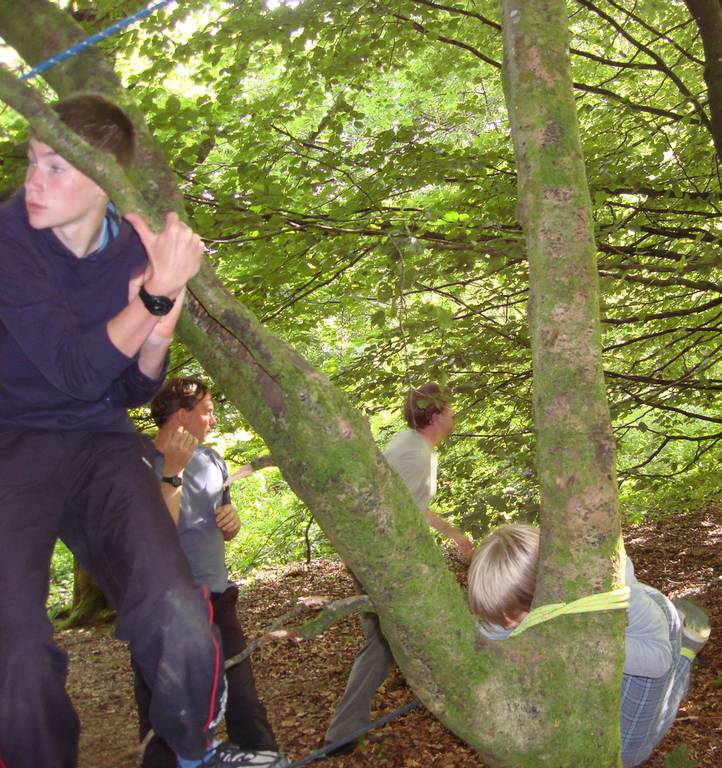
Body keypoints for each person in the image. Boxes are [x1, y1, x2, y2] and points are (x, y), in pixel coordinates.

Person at [0, 94, 270, 767]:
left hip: (100, 439)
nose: (34, 181)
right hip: (11, 440)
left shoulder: (131, 250)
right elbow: (69, 369)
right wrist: (153, 297)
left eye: (56, 168)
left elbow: (131, 389)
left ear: (104, 180)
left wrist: (163, 323)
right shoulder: (7, 238)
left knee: (177, 608)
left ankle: (193, 753)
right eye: (32, 161)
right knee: (15, 643)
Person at [131, 378, 286, 768]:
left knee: (243, 700)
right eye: (207, 411)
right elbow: (153, 537)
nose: (214, 420)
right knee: (165, 715)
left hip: (217, 595)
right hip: (164, 609)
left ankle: (264, 758)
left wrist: (232, 522)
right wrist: (171, 472)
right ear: (182, 415)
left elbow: (223, 523)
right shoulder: (137, 462)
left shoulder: (214, 459)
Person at [467, 525, 699, 768]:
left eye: (516, 619)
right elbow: (489, 642)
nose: (510, 627)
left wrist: (576, 643)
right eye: (499, 620)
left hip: (643, 633)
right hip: (590, 637)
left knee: (627, 751)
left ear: (544, 592)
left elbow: (657, 661)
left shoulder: (610, 586)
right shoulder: (509, 610)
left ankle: (684, 656)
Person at [323, 383, 474, 753]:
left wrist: (455, 536)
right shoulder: (413, 453)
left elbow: (411, 507)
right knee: (386, 642)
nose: (454, 417)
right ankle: (342, 734)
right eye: (450, 411)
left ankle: (343, 732)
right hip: (378, 560)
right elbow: (392, 517)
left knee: (384, 644)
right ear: (435, 416)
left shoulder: (416, 445)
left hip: (377, 558)